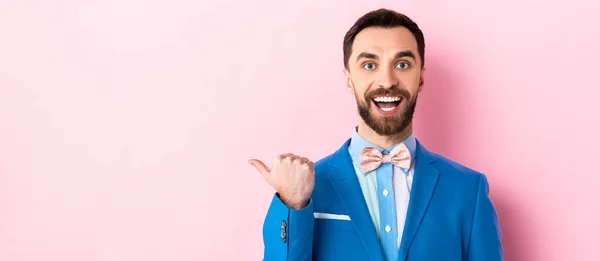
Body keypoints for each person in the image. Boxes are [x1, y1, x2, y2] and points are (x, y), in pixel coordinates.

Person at [249, 8, 503, 261]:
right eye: (369, 65)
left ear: (421, 78)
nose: (387, 80)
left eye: (402, 64)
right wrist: (293, 204)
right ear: (349, 80)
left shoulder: (469, 190)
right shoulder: (308, 188)